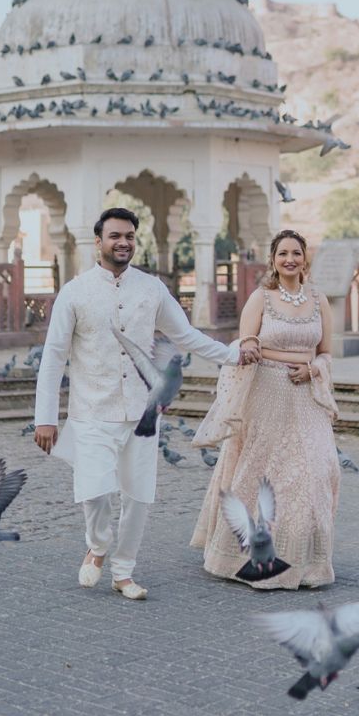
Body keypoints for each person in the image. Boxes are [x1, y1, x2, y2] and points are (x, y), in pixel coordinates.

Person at [33, 208, 239, 600]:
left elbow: (187, 335)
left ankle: (124, 573)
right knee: (94, 491)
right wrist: (45, 418)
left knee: (138, 496)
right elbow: (53, 357)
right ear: (98, 241)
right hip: (92, 411)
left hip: (142, 413)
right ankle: (98, 545)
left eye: (129, 235)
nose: (123, 242)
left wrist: (234, 355)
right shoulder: (75, 292)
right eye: (115, 236)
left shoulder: (152, 288)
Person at [190, 229, 340, 589]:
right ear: (273, 260)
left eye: (296, 253)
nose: (290, 259)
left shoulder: (319, 300)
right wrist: (263, 351)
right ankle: (250, 559)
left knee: (318, 470)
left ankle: (307, 563)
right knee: (264, 475)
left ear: (305, 259)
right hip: (266, 394)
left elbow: (326, 352)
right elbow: (246, 345)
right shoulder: (261, 298)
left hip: (305, 398)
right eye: (283, 253)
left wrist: (313, 369)